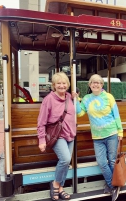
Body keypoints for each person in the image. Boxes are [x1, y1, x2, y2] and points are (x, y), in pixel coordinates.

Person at [73, 74, 123, 201]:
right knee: (101, 162)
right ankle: (114, 185)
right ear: (89, 85)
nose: (96, 84)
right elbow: (79, 113)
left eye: (98, 83)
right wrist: (76, 99)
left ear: (102, 85)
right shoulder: (86, 98)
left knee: (112, 161)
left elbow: (116, 115)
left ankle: (113, 186)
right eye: (93, 83)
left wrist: (120, 131)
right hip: (97, 136)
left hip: (112, 133)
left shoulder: (108, 97)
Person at [37, 72, 76, 200]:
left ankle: (60, 188)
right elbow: (41, 121)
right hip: (57, 135)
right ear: (54, 85)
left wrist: (75, 96)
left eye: (64, 83)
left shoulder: (69, 97)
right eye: (58, 83)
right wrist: (41, 140)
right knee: (65, 159)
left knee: (66, 162)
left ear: (68, 85)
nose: (61, 85)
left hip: (70, 134)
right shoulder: (49, 99)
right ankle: (55, 184)